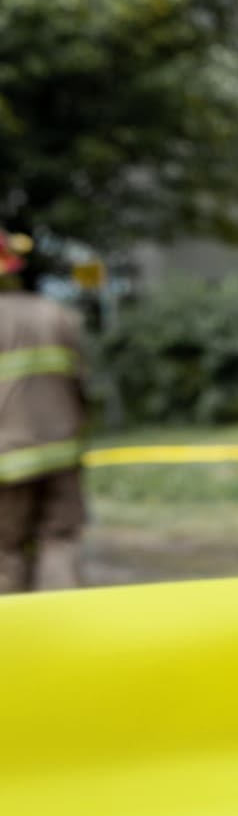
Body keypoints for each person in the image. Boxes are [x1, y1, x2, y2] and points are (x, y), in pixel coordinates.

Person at [0, 229, 89, 593]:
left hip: (6, 461)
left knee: (5, 554)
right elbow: (81, 385)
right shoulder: (53, 312)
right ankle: (67, 642)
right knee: (60, 544)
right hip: (61, 452)